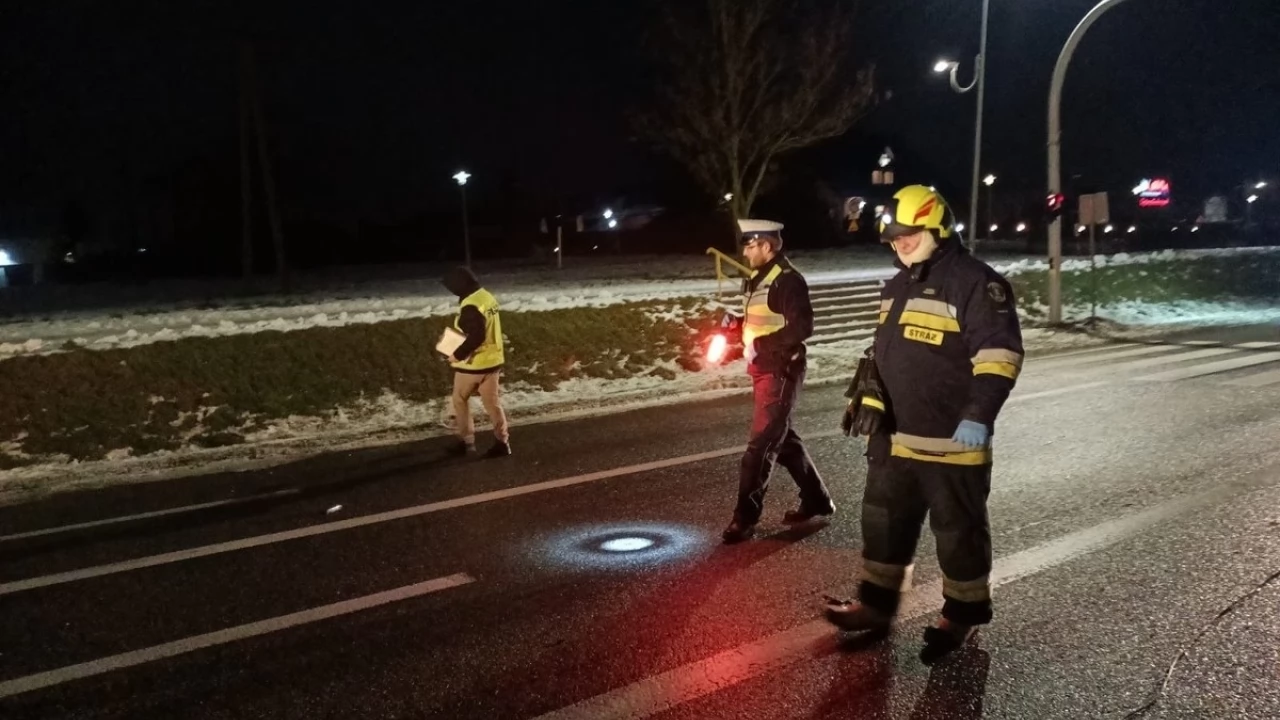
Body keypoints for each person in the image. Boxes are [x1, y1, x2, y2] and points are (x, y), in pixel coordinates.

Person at [826, 185, 1024, 664]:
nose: (899, 243)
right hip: (894, 440)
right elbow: (886, 353)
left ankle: (962, 614)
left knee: (958, 532)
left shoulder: (976, 283)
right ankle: (876, 606)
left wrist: (978, 415)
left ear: (937, 228)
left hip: (951, 441)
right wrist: (870, 393)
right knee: (882, 524)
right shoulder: (898, 285)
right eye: (893, 237)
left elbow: (999, 356)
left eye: (908, 234)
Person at [722, 219, 835, 544]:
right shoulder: (760, 278)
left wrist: (761, 344)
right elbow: (766, 320)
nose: (745, 252)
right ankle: (817, 500)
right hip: (763, 370)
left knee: (760, 447)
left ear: (767, 245)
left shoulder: (787, 280)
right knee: (783, 440)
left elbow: (802, 327)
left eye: (750, 245)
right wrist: (737, 324)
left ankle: (744, 519)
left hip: (781, 372)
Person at [442, 266, 511, 458]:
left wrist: (457, 354)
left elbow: (477, 336)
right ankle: (502, 442)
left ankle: (467, 442)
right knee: (493, 404)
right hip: (493, 361)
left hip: (473, 365)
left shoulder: (470, 306)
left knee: (459, 400)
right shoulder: (485, 296)